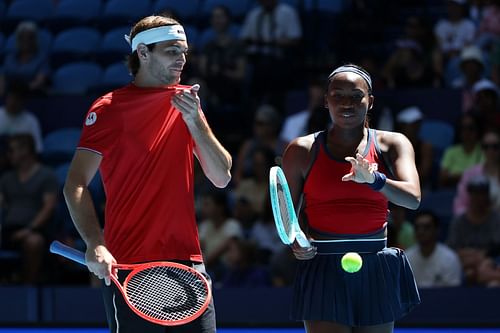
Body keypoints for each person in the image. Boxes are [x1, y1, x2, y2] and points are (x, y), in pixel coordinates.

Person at [62, 15, 232, 333]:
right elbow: (76, 184)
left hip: (188, 264)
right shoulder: (109, 108)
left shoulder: (188, 103)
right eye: (171, 51)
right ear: (143, 53)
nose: (182, 59)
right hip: (128, 266)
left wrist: (196, 120)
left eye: (184, 51)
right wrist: (95, 243)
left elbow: (222, 176)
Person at [282, 64, 421, 332]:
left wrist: (374, 180)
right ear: (326, 101)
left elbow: (413, 198)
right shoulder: (300, 150)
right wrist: (296, 240)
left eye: (357, 96)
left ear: (370, 102)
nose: (347, 103)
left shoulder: (394, 144)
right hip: (322, 267)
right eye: (338, 95)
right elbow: (288, 213)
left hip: (376, 265)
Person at [0, 134, 58, 284]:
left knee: (34, 242)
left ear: (25, 151)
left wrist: (29, 228)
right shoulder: (6, 178)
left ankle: (27, 286)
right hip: (8, 230)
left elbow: (48, 207)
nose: (8, 154)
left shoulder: (46, 175)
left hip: (36, 230)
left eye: (11, 150)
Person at [405, 211, 462, 288]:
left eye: (426, 227)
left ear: (437, 230)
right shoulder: (406, 259)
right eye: (417, 227)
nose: (421, 231)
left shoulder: (450, 258)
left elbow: (453, 294)